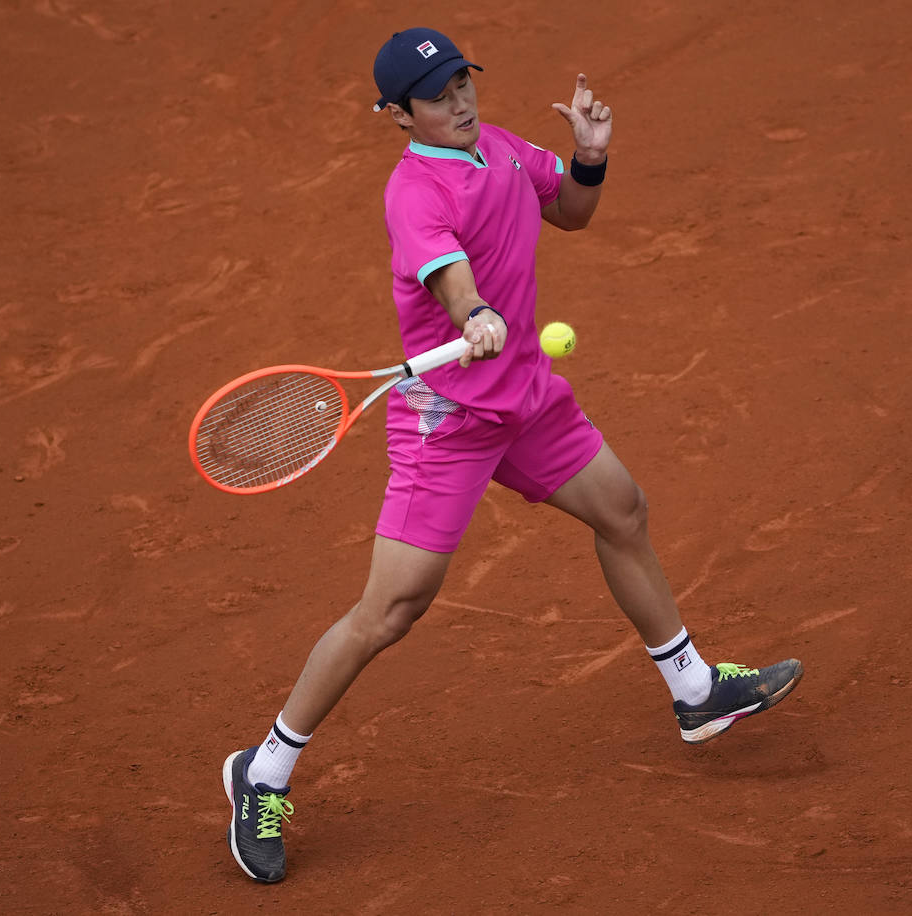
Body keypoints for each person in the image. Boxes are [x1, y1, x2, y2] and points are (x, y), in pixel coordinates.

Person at [222, 27, 803, 883]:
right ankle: (262, 770)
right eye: (436, 95)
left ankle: (694, 693)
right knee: (392, 610)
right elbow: (450, 280)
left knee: (622, 509)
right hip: (449, 420)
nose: (459, 102)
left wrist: (588, 159)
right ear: (396, 114)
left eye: (463, 83)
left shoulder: (498, 148)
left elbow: (568, 209)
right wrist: (472, 315)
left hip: (524, 397)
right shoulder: (414, 190)